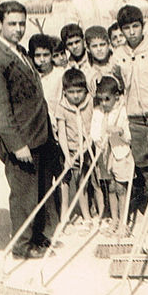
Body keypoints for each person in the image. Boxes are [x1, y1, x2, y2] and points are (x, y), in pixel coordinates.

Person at [0, 1, 62, 259]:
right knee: (24, 194)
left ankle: (38, 237)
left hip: (38, 134)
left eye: (21, 23)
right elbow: (1, 110)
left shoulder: (19, 52)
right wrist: (17, 144)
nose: (18, 29)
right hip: (21, 139)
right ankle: (22, 245)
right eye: (12, 24)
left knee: (39, 190)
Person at [113, 5, 148, 229]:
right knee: (144, 166)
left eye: (136, 26)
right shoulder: (118, 54)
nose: (132, 32)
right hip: (134, 116)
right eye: (127, 28)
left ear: (143, 26)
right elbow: (116, 80)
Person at [91, 76, 134, 236]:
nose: (103, 103)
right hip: (105, 155)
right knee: (111, 188)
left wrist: (120, 131)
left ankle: (123, 222)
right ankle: (114, 219)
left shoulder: (123, 110)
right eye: (100, 100)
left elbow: (129, 136)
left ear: (116, 96)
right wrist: (99, 138)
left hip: (121, 153)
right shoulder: (97, 112)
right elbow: (94, 132)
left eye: (107, 99)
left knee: (121, 189)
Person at [55, 68, 96, 232]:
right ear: (64, 92)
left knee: (82, 183)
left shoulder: (90, 102)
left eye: (79, 91)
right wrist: (67, 156)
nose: (76, 95)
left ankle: (86, 215)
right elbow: (62, 133)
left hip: (85, 149)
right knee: (64, 184)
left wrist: (85, 148)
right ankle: (64, 217)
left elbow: (95, 127)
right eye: (71, 92)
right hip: (67, 151)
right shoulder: (62, 107)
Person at [29, 33, 65, 128]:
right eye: (38, 56)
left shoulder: (61, 75)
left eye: (46, 55)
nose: (42, 59)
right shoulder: (31, 77)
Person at [83, 25, 120, 95]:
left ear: (109, 44)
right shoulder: (87, 69)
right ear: (88, 48)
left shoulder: (117, 60)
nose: (99, 49)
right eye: (94, 46)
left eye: (102, 45)